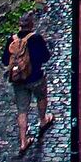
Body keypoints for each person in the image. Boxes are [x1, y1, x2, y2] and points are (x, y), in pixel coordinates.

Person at [3, 13, 54, 154]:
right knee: (41, 97)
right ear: (31, 24)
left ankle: (23, 141)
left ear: (20, 25)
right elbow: (45, 57)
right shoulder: (36, 39)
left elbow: (4, 60)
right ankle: (43, 120)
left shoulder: (12, 40)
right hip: (36, 77)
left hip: (18, 80)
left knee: (22, 110)